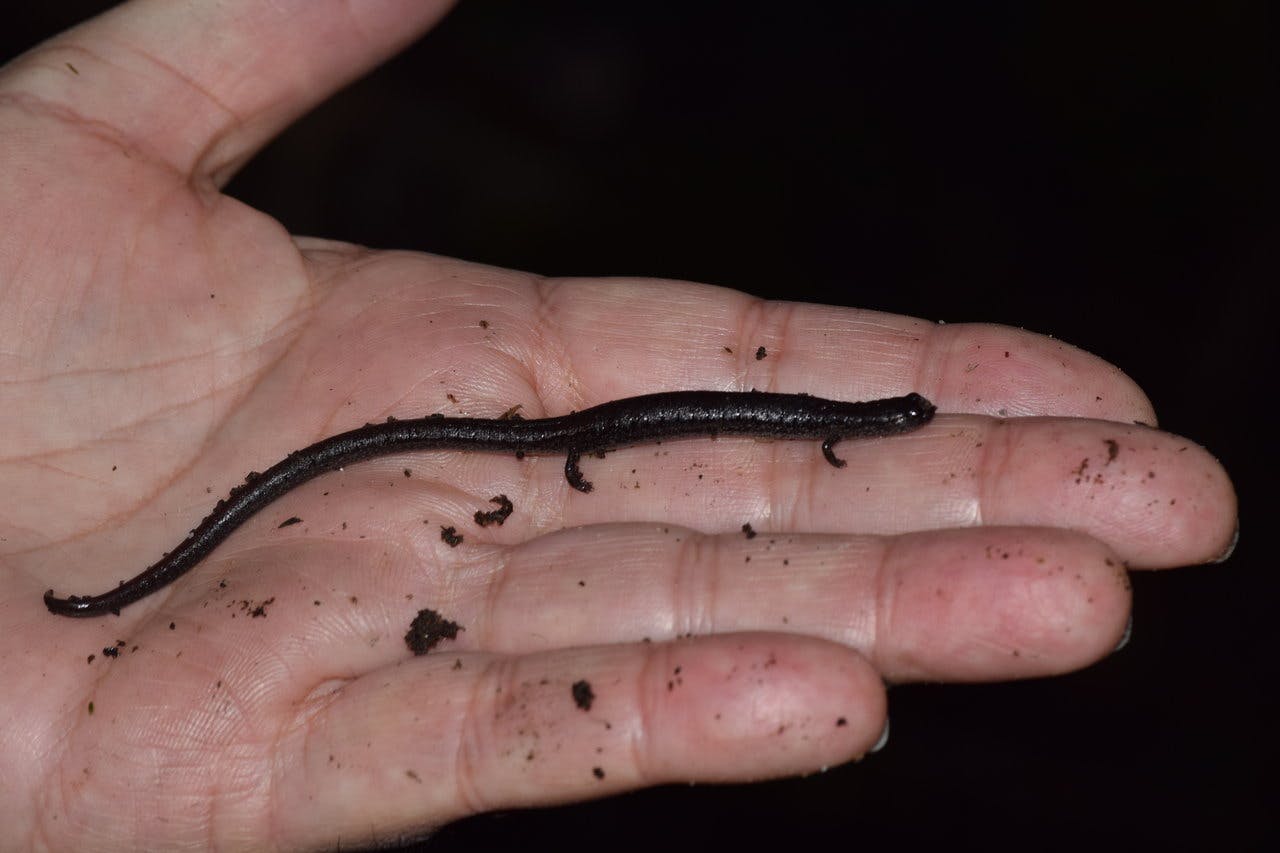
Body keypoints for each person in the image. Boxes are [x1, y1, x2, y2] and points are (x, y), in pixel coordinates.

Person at [0, 2, 1236, 849]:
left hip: (573, 434)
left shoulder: (842, 421)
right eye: (897, 416)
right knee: (515, 444)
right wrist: (574, 448)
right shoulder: (833, 424)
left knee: (518, 445)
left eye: (899, 418)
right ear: (873, 419)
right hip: (565, 433)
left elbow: (827, 425)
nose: (899, 420)